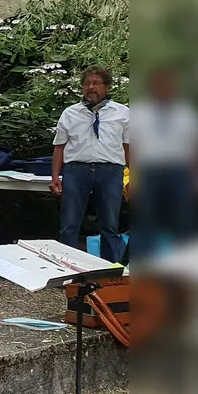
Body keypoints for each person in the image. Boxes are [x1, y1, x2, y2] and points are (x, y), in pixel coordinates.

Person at [52, 65, 131, 262]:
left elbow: (128, 147)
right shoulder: (70, 113)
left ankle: (110, 270)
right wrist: (55, 176)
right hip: (76, 171)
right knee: (70, 223)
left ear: (107, 87)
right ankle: (66, 269)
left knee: (110, 224)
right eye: (87, 83)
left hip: (110, 171)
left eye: (96, 83)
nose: (91, 87)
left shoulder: (122, 113)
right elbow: (59, 147)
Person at [132, 67, 198, 256]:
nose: (164, 89)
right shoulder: (140, 112)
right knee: (147, 219)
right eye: (159, 86)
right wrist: (135, 177)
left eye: (168, 86)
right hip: (150, 172)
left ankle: (187, 264)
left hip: (180, 171)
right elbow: (134, 147)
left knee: (184, 220)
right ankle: (147, 267)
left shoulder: (186, 112)